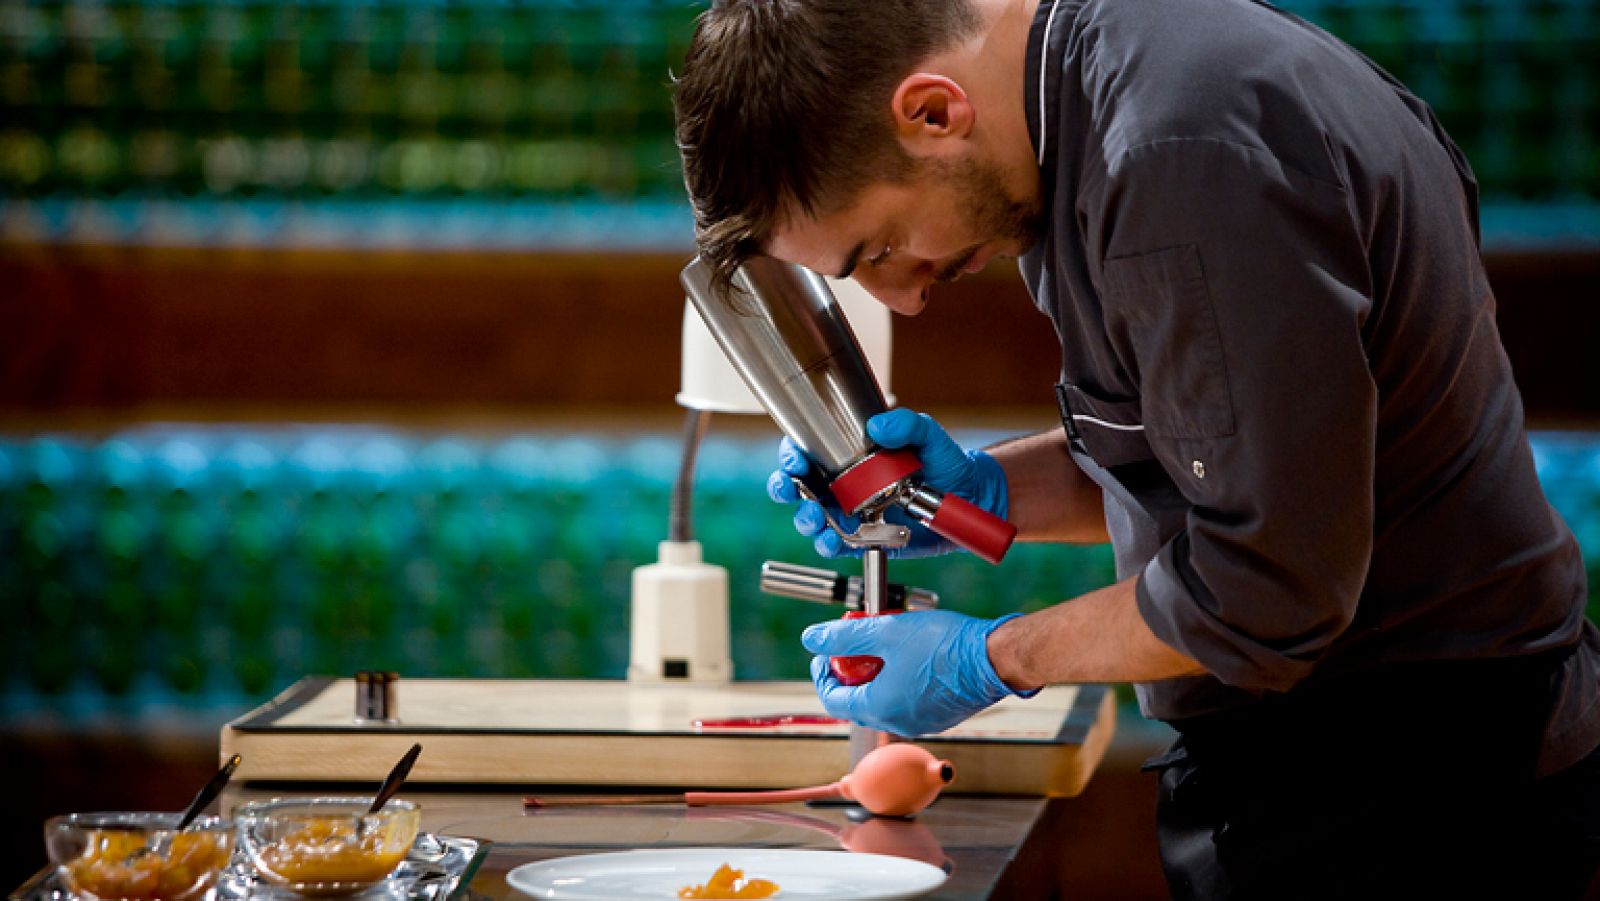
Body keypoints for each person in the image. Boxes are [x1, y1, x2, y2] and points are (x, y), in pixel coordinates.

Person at [673, 0, 1600, 896]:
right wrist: (983, 494)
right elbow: (1216, 459)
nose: (907, 299)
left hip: (1417, 789)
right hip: (1347, 765)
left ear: (931, 111)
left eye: (878, 249)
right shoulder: (1079, 119)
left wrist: (992, 658)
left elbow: (1269, 583)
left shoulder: (1178, 155)